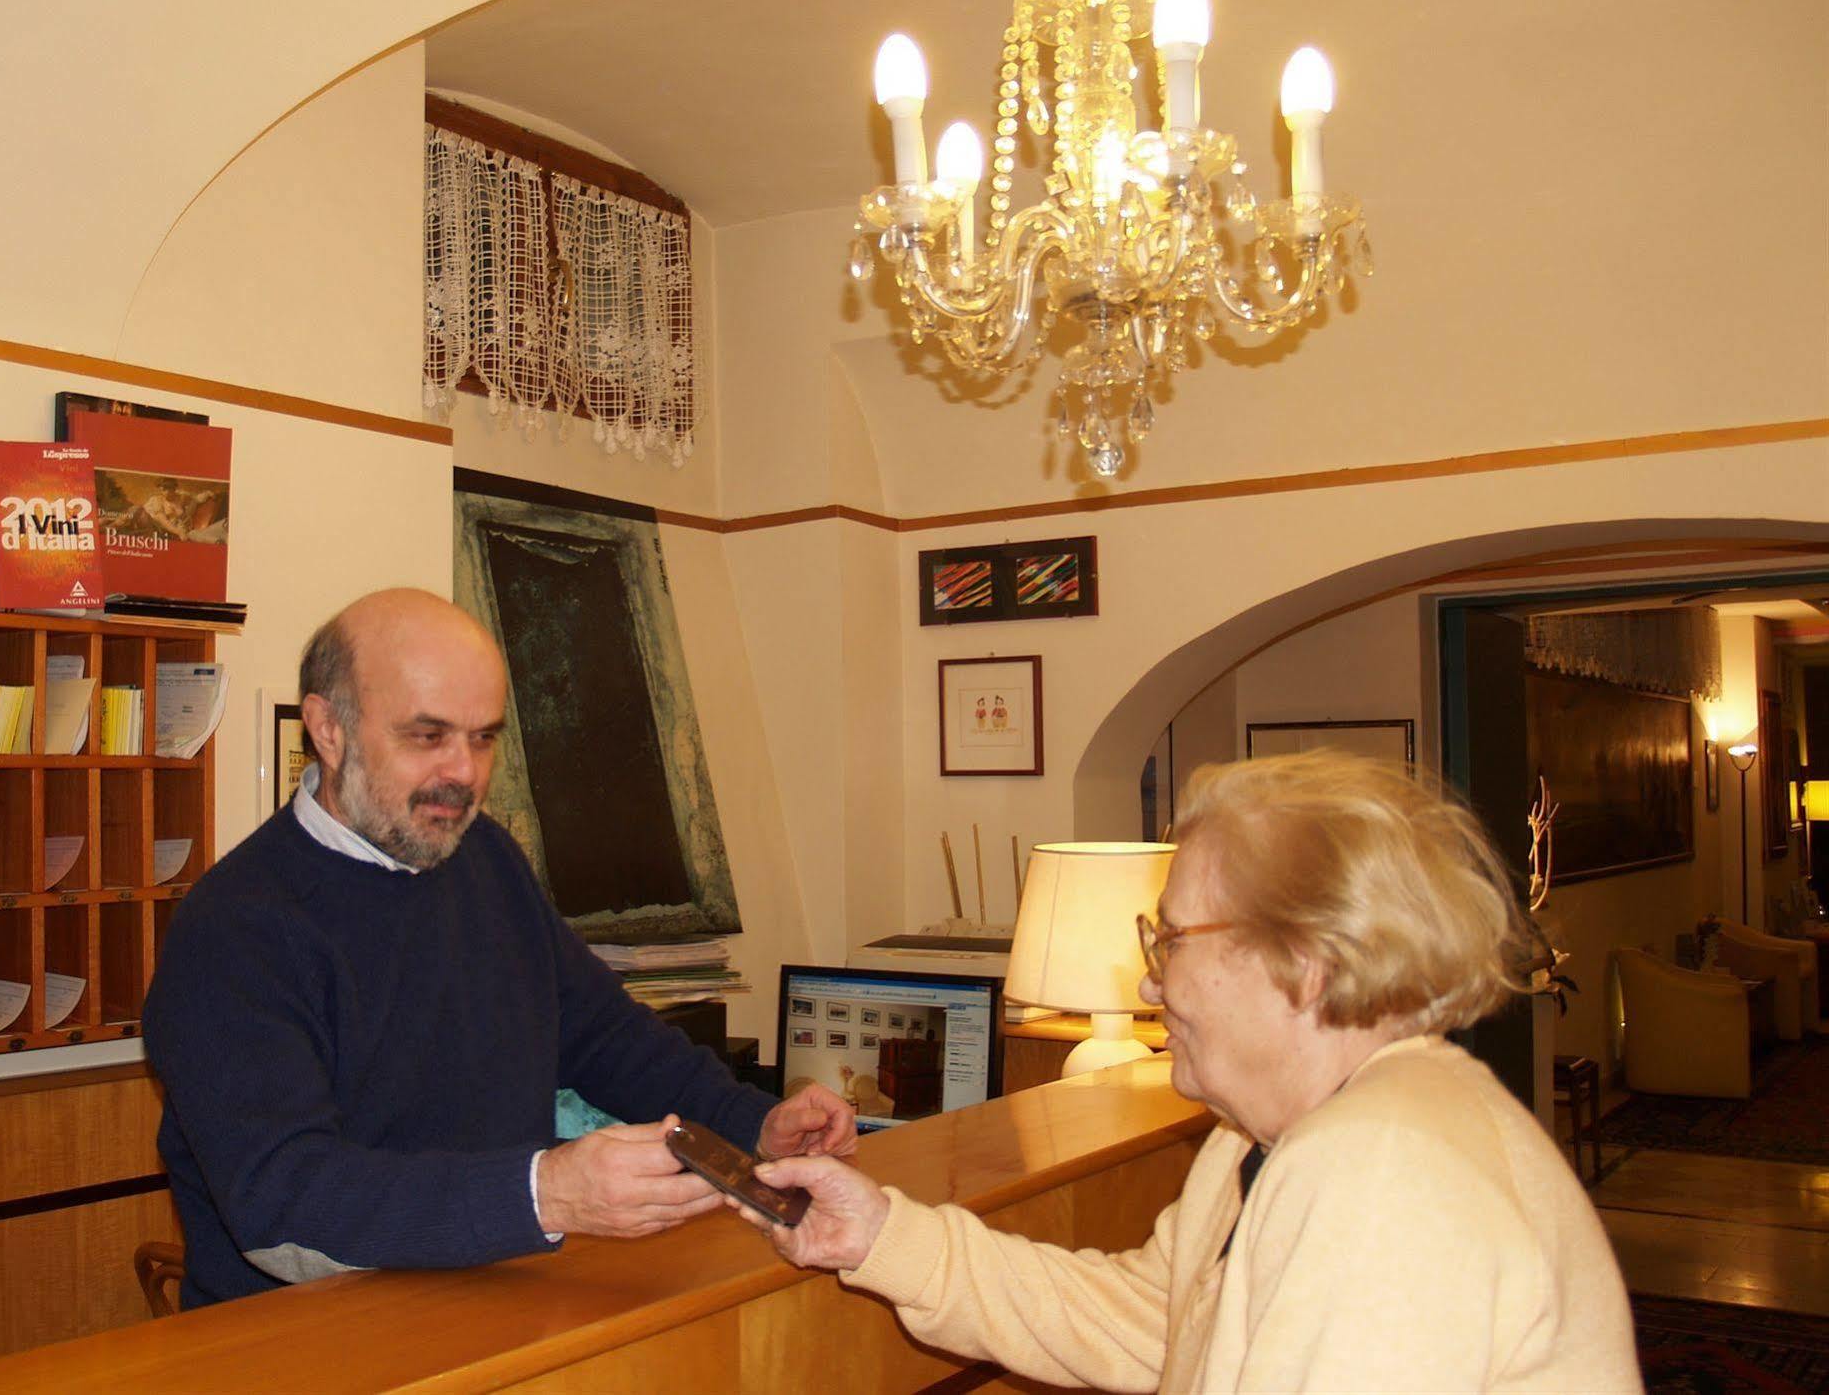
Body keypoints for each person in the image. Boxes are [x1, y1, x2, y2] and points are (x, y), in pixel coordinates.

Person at [729, 751, 1640, 1392]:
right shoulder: (1270, 1140)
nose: (1151, 975)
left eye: (1168, 937)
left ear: (1302, 960)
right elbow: (1153, 1321)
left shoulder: (1383, 1170)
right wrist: (879, 1236)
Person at [144, 588, 855, 1309]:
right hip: (302, 1340)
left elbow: (601, 1036)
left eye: (483, 738)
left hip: (495, 1298)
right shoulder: (236, 929)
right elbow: (283, 1205)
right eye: (428, 736)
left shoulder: (482, 856)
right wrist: (544, 1194)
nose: (464, 774)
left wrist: (750, 1122)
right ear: (328, 728)